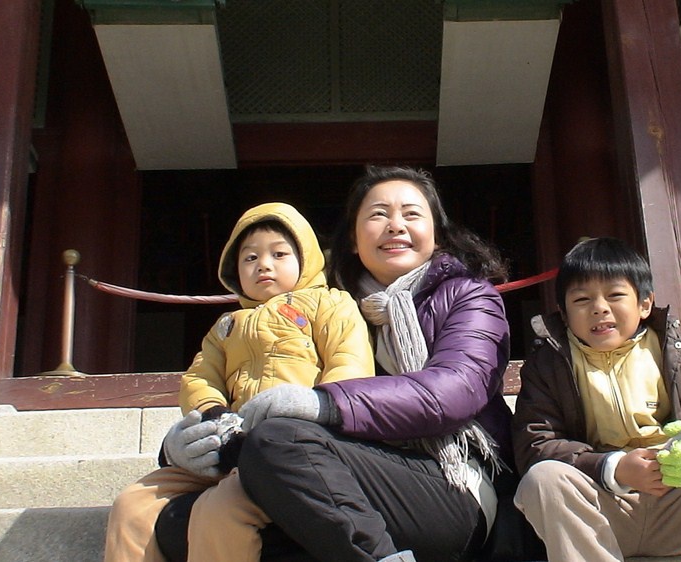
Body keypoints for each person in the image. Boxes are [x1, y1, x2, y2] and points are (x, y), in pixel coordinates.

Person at [220, 165, 516, 562]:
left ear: (437, 235)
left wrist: (325, 403)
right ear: (354, 241)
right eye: (378, 214)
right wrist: (197, 442)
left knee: (278, 441)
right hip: (347, 470)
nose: (395, 225)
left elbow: (453, 391)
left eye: (411, 214)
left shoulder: (471, 296)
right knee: (183, 521)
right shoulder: (328, 307)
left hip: (452, 480)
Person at [104, 202, 375, 562]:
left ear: (307, 258)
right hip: (229, 443)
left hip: (292, 445)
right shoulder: (226, 326)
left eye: (279, 254)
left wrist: (320, 408)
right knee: (133, 504)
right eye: (250, 258)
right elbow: (200, 377)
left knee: (219, 510)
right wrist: (211, 414)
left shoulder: (329, 304)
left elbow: (349, 362)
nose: (264, 264)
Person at [512, 237, 681, 562]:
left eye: (615, 295)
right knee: (543, 479)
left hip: (679, 501)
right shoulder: (548, 363)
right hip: (601, 510)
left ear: (645, 304)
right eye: (582, 299)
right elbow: (537, 443)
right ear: (564, 313)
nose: (599, 308)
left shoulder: (675, 351)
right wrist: (613, 468)